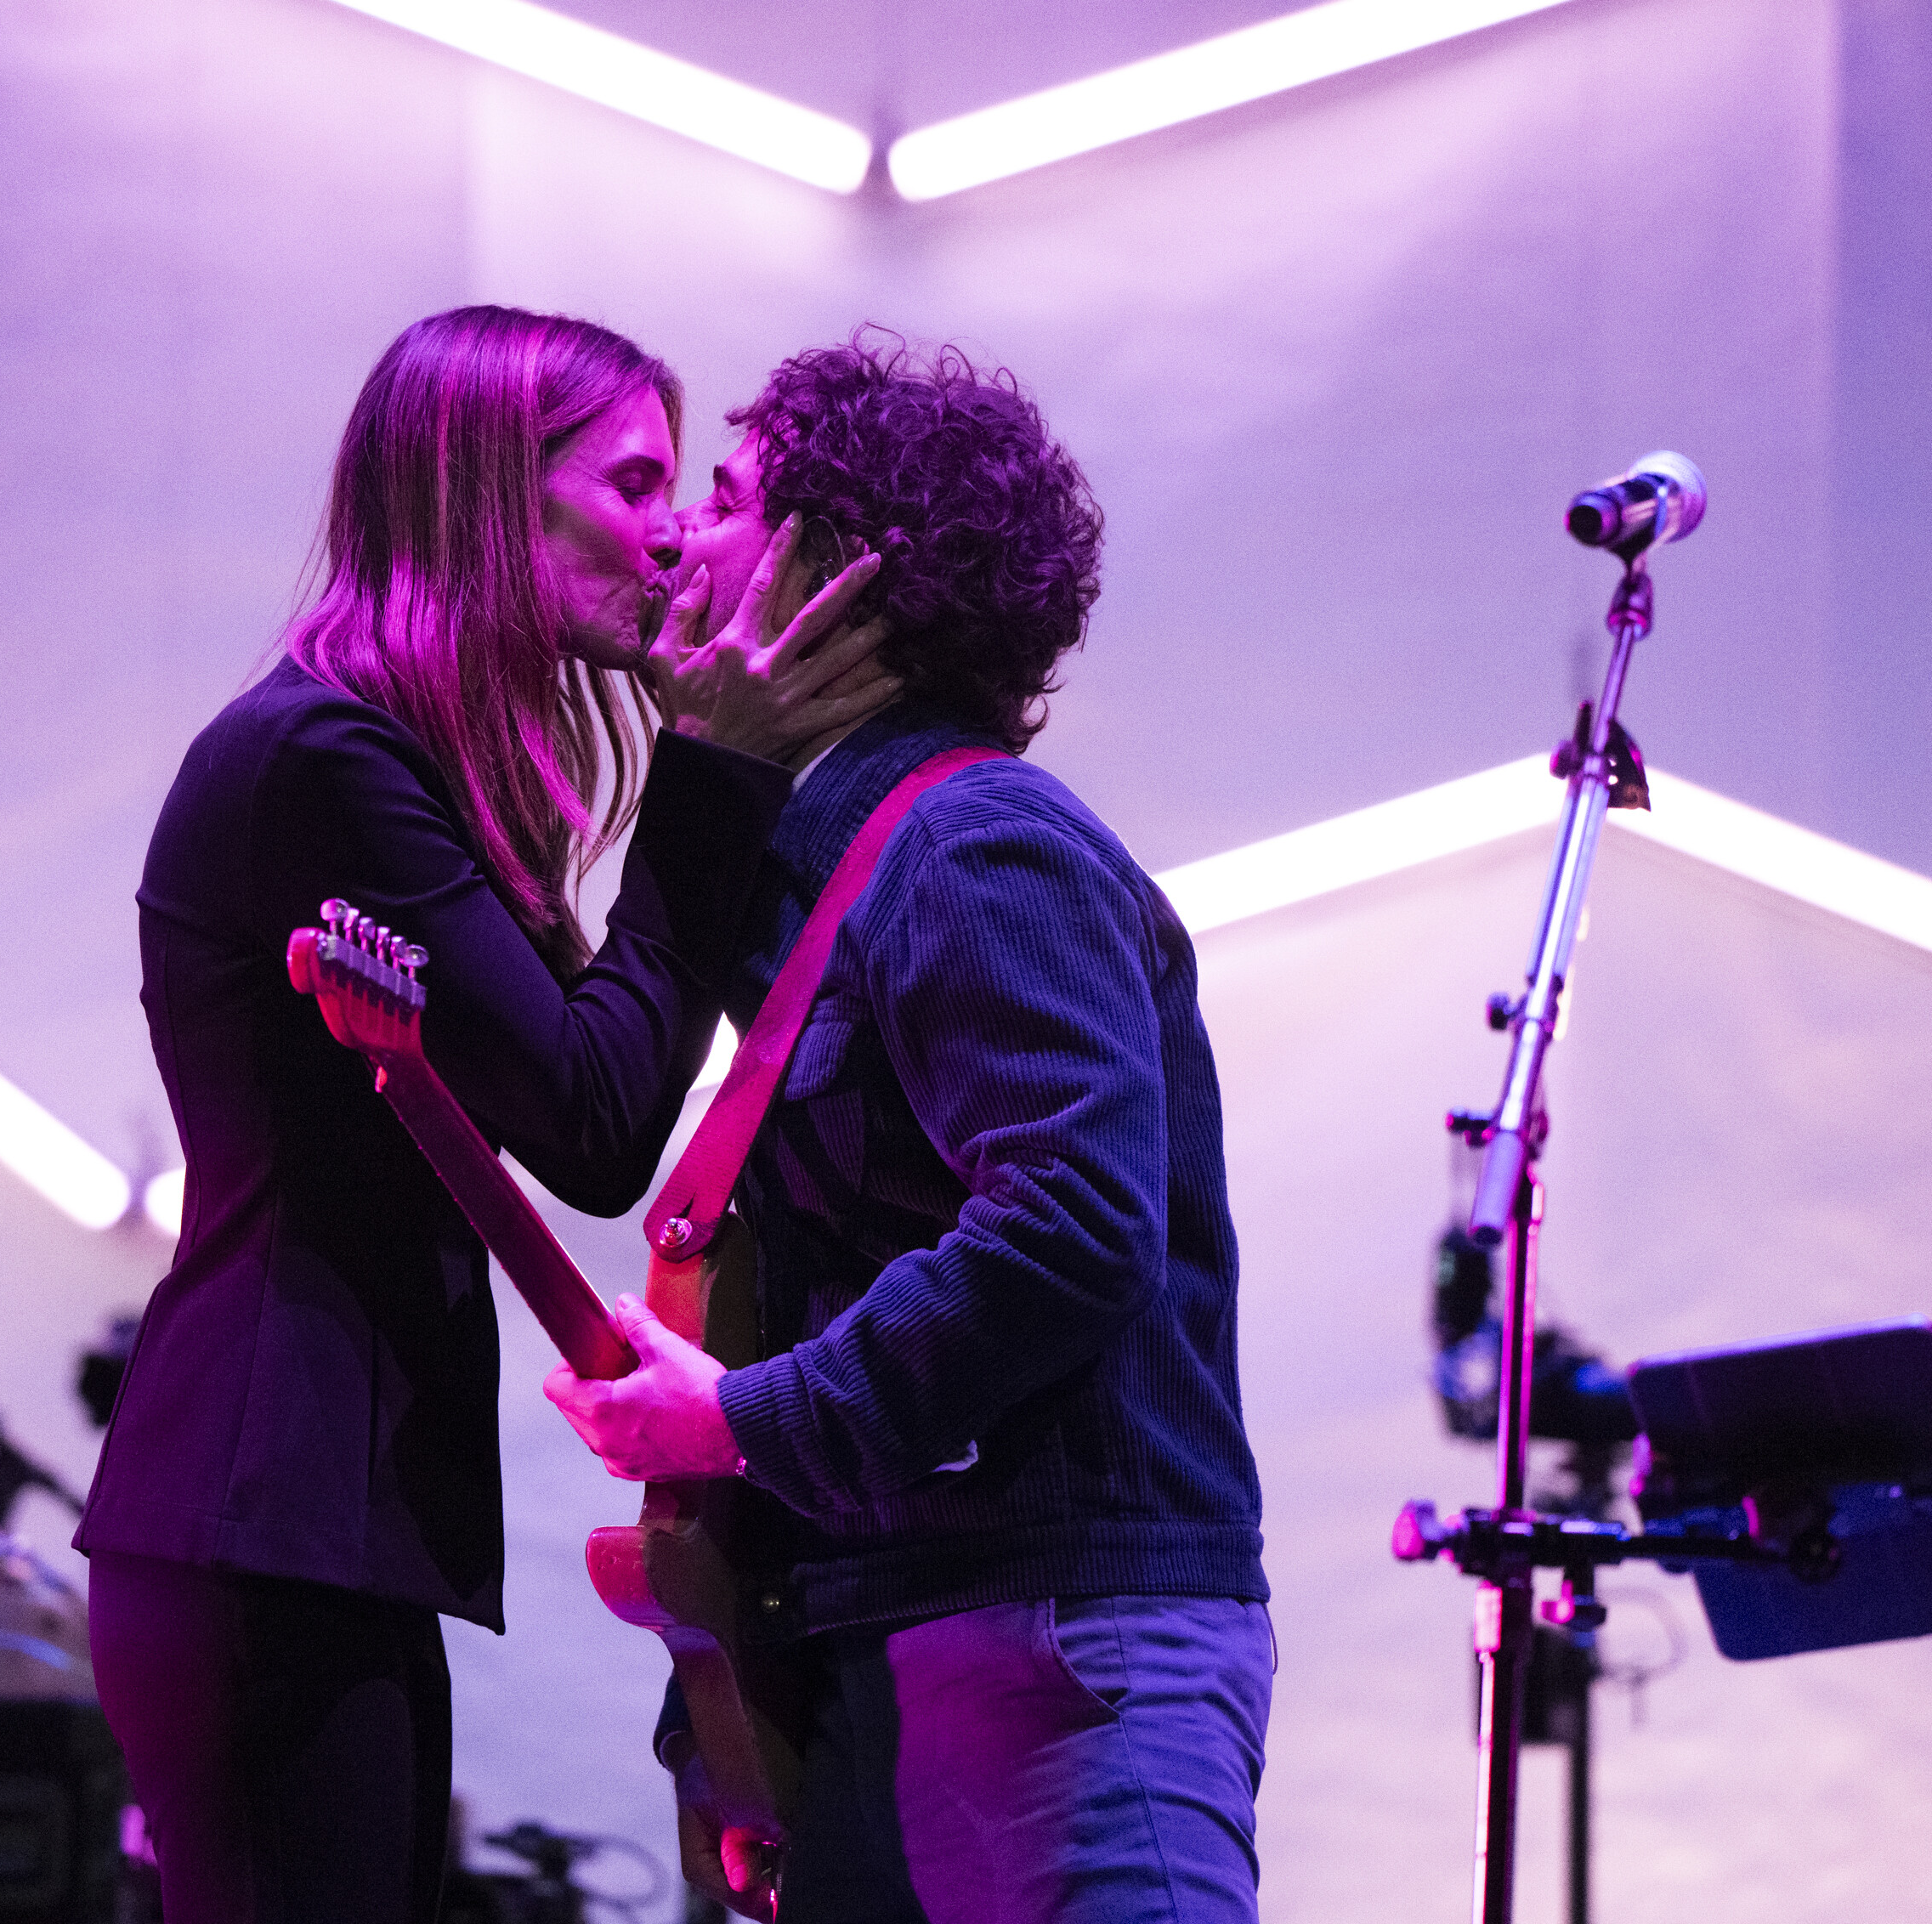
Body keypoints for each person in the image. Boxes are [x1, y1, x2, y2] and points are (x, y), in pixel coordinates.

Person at [75, 305, 897, 1923]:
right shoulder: (325, 758)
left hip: (308, 1514)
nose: (673, 538)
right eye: (635, 484)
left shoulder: (387, 759)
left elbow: (605, 1078)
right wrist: (711, 771)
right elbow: (594, 1117)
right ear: (490, 498)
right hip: (265, 1509)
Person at [547, 333, 1275, 1924]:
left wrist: (743, 1419)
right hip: (941, 1632)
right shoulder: (865, 856)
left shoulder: (968, 842)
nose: (676, 540)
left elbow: (1072, 1226)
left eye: (724, 500)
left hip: (1057, 1640)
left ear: (826, 575)